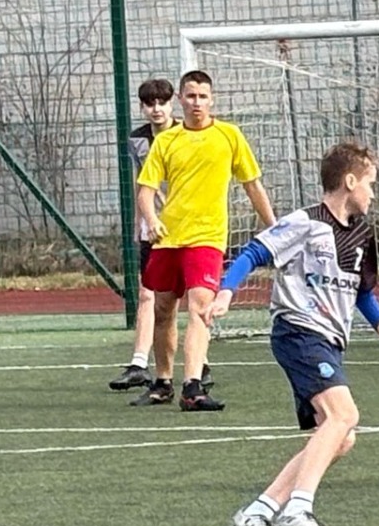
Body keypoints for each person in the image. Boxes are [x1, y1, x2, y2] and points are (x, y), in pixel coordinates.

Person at [213, 142, 379, 526]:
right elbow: (254, 251)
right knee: (345, 414)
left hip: (329, 341)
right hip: (299, 331)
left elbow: (361, 291)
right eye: (371, 184)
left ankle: (259, 511)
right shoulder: (306, 222)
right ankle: (299, 507)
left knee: (341, 436)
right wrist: (226, 291)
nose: (373, 193)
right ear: (350, 181)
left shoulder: (362, 234)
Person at [135, 69, 275, 411]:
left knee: (201, 307)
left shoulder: (229, 135)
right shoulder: (166, 141)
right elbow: (145, 190)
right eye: (190, 96)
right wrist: (152, 220)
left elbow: (252, 185)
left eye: (202, 96)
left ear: (212, 100)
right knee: (164, 310)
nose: (196, 102)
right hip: (168, 239)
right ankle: (163, 381)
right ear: (180, 99)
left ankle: (192, 387)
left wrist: (275, 228)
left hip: (208, 239)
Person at [108, 77, 177, 394]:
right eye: (150, 104)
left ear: (172, 104)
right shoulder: (138, 140)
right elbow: (141, 182)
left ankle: (199, 365)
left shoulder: (184, 134)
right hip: (155, 227)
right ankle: (138, 363)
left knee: (190, 298)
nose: (156, 109)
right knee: (148, 293)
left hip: (185, 225)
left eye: (162, 102)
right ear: (142, 107)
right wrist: (141, 222)